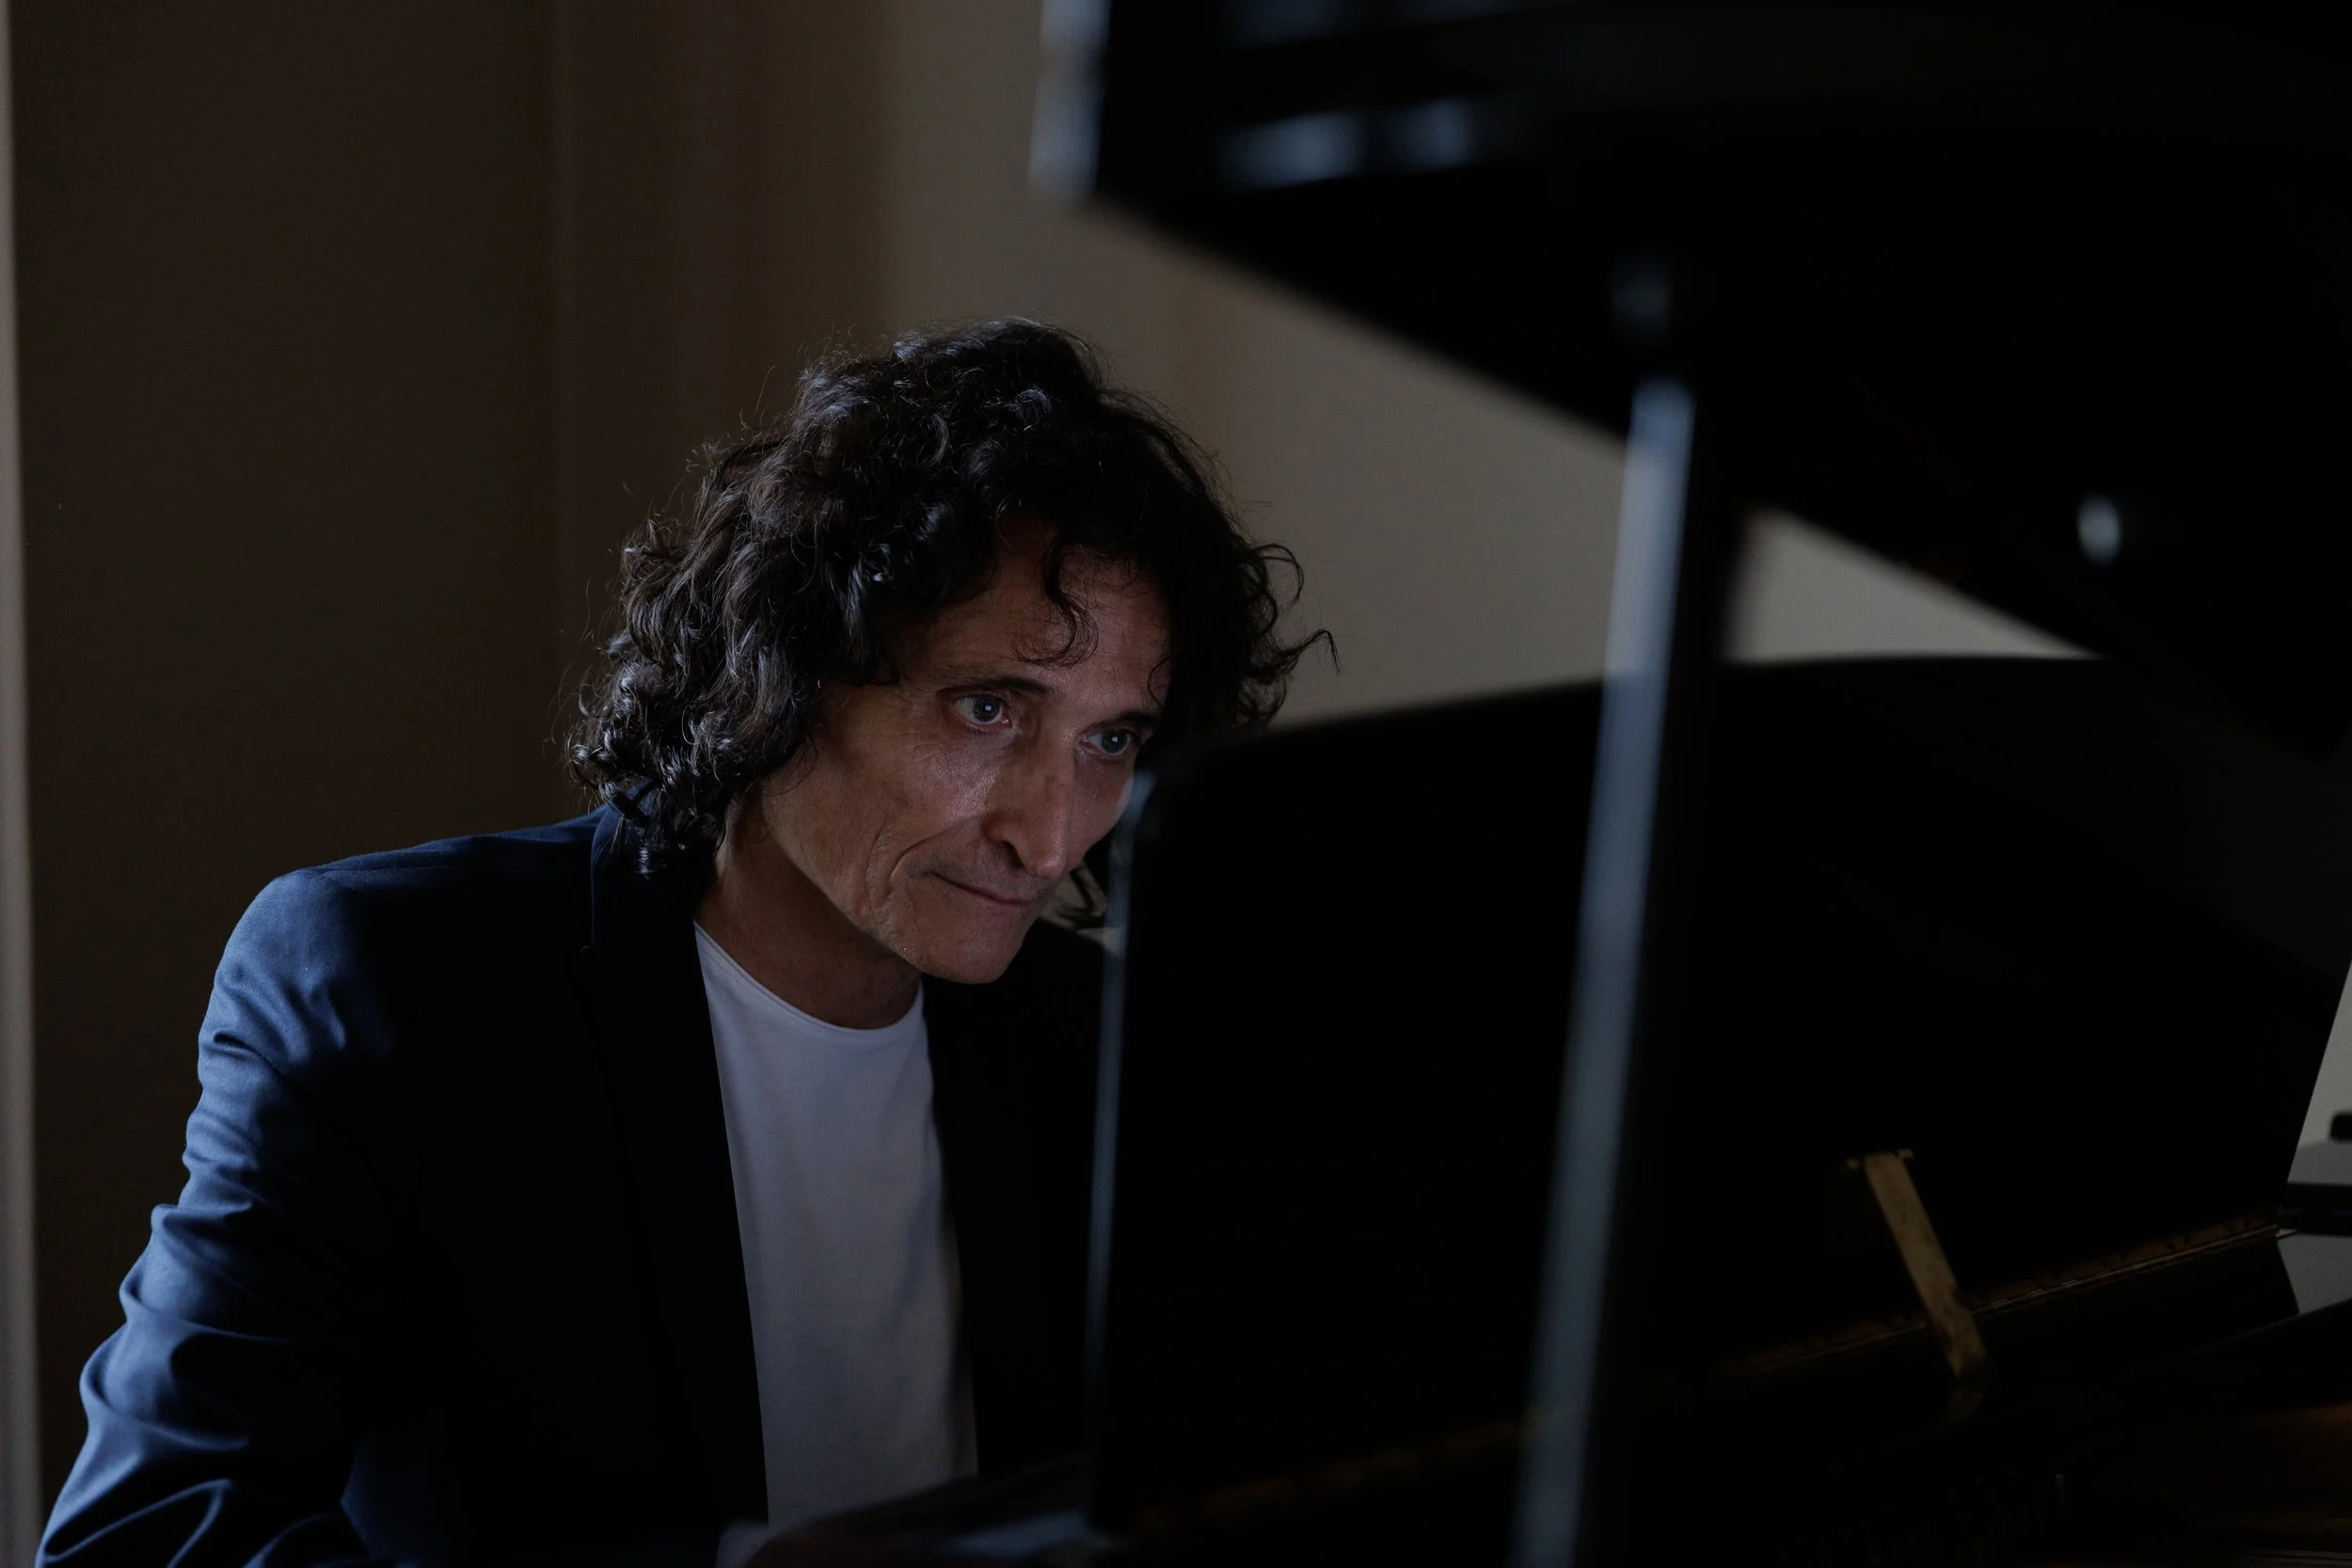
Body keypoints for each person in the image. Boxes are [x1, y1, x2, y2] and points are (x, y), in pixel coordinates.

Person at [39, 321, 1322, 1567]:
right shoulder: (396, 985)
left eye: (1111, 740)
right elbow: (144, 1533)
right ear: (787, 668)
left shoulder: (1106, 1046)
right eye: (987, 708)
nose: (1048, 837)